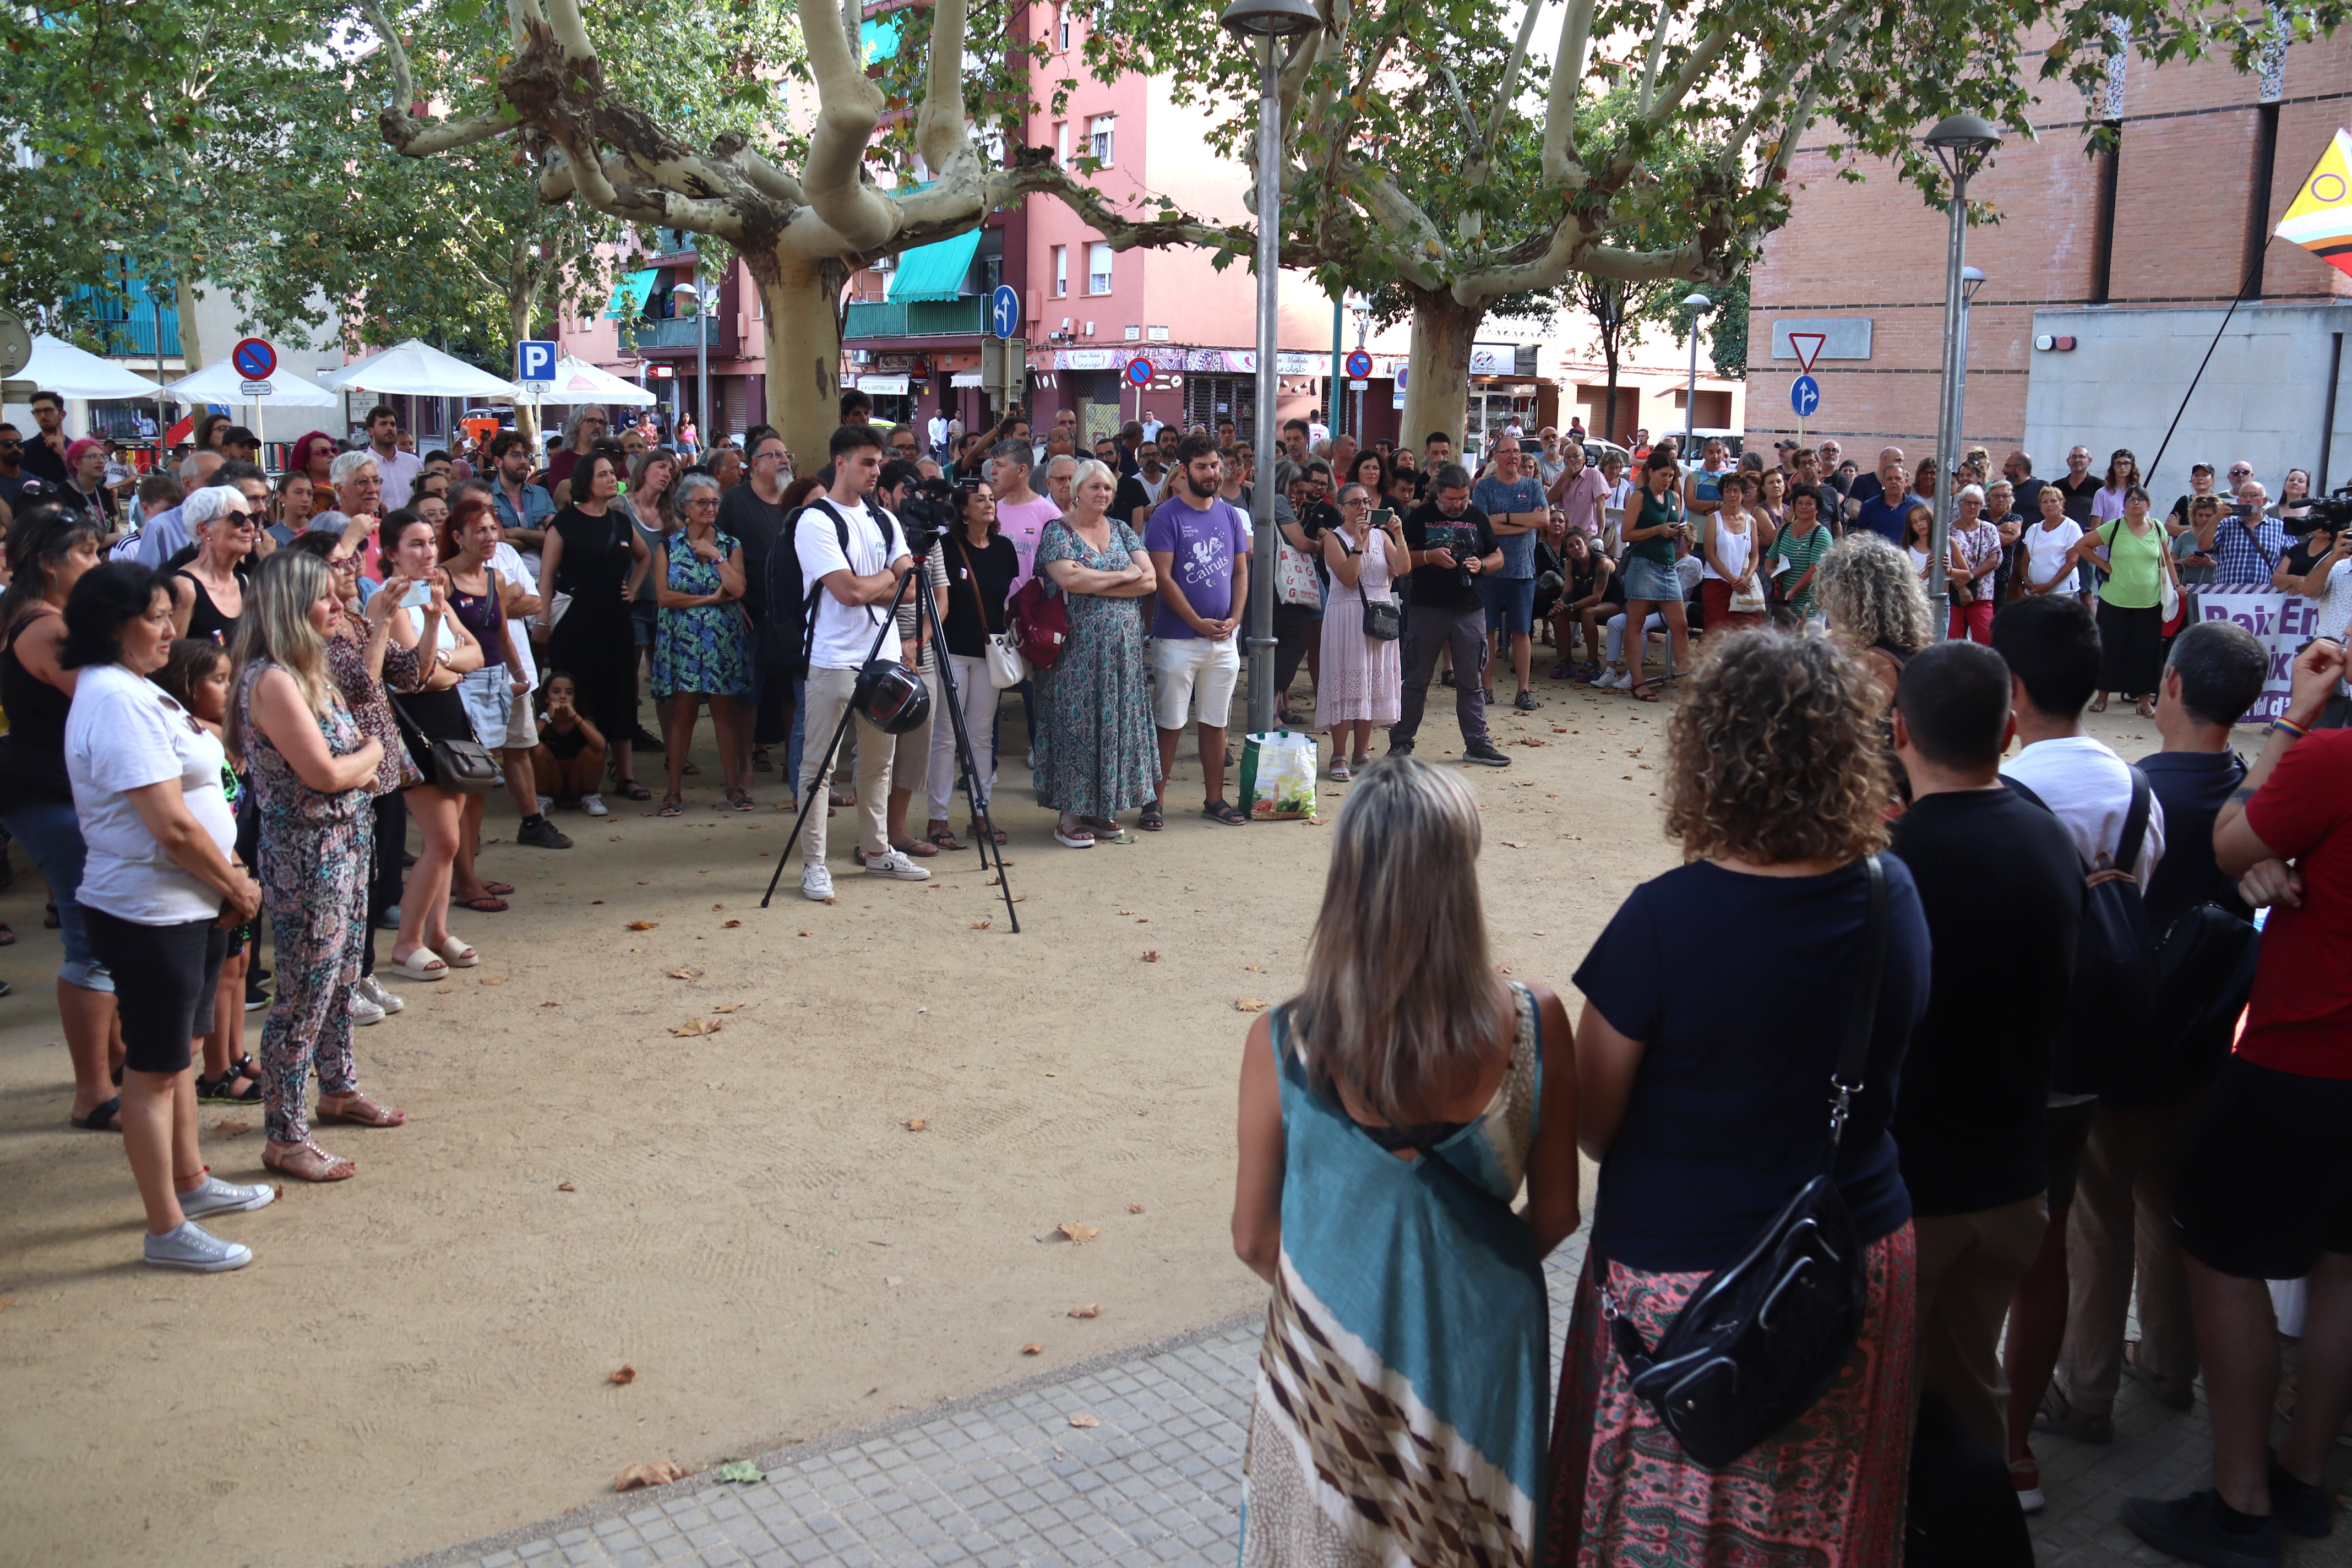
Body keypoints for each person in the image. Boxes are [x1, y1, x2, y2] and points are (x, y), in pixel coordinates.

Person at [1548, 629, 1929, 1564]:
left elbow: (1593, 1123)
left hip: (1685, 1283)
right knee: (1825, 1511)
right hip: (1850, 1256)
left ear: (1707, 755)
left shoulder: (1663, 919)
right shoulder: (1893, 894)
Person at [1234, 757, 1577, 1566]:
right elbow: (1559, 1212)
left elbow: (1253, 1238)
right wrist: (1460, 1290)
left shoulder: (1285, 1042)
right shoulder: (1536, 1023)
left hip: (1326, 1361)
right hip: (1483, 1356)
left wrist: (1351, 1282)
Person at [2124, 633, 2352, 1566]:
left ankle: (2238, 1502)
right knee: (2344, 1263)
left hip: (2303, 1049)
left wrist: (2293, 718)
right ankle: (2302, 1476)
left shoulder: (2332, 758)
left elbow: (2229, 838)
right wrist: (2271, 862)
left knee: (2216, 1249)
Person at [2037, 622, 2269, 1471]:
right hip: (2209, 1042)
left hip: (2128, 1042)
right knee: (2172, 1206)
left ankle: (2085, 1387)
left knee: (2098, 1218)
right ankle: (2171, 1363)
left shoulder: (2139, 793)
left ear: (2170, 686)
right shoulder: (2253, 795)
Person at [1989, 591, 2166, 1512]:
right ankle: (2018, 1450)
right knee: (2047, 1245)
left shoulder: (2004, 794)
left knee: (1960, 1245)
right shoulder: (2137, 791)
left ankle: (1953, 1431)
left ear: (2010, 688)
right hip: (2089, 1052)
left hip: (2000, 1055)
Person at [1886, 640, 2084, 1460]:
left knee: (1884, 1413)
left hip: (1911, 1189)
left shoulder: (1891, 865)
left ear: (1899, 731)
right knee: (1973, 1402)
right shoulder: (2049, 837)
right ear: (2009, 732)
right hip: (2014, 1179)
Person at [62, 560, 273, 1270]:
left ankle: (192, 1181)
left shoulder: (133, 691)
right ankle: (166, 1227)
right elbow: (171, 826)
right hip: (152, 908)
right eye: (154, 615)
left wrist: (225, 882)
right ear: (110, 626)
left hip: (187, 902)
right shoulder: (115, 701)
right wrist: (237, 887)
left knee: (179, 1054)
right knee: (154, 1068)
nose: (168, 626)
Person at [228, 550, 403, 1184]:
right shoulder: (272, 679)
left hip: (345, 840)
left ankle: (338, 1087)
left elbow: (351, 754)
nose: (338, 606)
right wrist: (374, 752)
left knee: (343, 975)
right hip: (308, 852)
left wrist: (361, 759)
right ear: (291, 607)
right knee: (304, 991)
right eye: (326, 598)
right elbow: (330, 771)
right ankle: (284, 1134)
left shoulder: (310, 670)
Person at [0, 508, 128, 1128]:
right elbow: (109, 700)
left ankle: (114, 1065)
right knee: (91, 941)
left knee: (98, 935)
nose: (98, 563)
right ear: (50, 564)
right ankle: (93, 1092)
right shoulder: (44, 628)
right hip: (49, 793)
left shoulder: (38, 618)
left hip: (52, 789)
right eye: (87, 553)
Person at [792, 424, 933, 896]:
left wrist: (872, 584)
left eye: (878, 463)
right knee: (820, 767)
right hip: (833, 658)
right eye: (867, 462)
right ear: (841, 463)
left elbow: (910, 589)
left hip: (885, 658)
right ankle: (814, 863)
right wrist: (881, 583)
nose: (876, 471)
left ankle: (877, 851)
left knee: (878, 764)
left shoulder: (884, 520)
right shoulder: (815, 521)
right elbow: (846, 592)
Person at [286, 532, 421, 1025]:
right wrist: (384, 622)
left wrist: (429, 622)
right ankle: (342, 985)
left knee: (374, 878)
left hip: (382, 769)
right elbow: (364, 689)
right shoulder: (313, 636)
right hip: (349, 771)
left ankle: (362, 973)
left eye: (350, 562)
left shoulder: (358, 619)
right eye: (335, 565)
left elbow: (409, 675)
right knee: (347, 886)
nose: (348, 570)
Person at [380, 513, 489, 980]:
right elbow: (415, 677)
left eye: (430, 543)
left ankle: (438, 931)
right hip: (414, 726)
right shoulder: (388, 598)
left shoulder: (433, 593)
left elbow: (476, 653)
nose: (427, 553)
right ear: (391, 553)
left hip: (450, 719)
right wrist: (448, 664)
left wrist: (444, 661)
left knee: (451, 839)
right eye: (415, 545)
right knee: (442, 839)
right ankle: (407, 943)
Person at [1031, 459, 1160, 846]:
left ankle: (1102, 807)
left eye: (1107, 488)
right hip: (1075, 651)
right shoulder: (1058, 531)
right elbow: (1068, 577)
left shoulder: (1121, 530)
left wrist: (1095, 583)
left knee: (1115, 724)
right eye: (1094, 488)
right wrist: (1122, 576)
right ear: (1077, 491)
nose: (1102, 494)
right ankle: (1069, 815)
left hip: (1123, 652)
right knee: (1076, 725)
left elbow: (1150, 580)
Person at [1144, 434, 1252, 828]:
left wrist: (1236, 617)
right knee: (1169, 722)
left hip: (1224, 640)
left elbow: (1241, 571)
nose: (1213, 473)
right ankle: (1153, 802)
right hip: (1176, 640)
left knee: (1216, 722)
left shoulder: (1229, 515)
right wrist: (1194, 622)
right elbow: (1163, 578)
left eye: (1216, 465)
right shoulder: (1166, 516)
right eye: (1204, 466)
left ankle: (1215, 799)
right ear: (1184, 469)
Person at [541, 450, 651, 806]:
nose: (611, 479)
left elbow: (644, 556)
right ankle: (571, 779)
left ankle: (626, 775)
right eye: (603, 474)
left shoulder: (620, 523)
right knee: (573, 693)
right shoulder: (564, 523)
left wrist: (632, 589)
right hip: (575, 624)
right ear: (586, 481)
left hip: (615, 622)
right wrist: (542, 621)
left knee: (620, 694)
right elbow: (546, 578)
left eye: (612, 474)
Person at [1391, 464, 1509, 763]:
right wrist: (1430, 556)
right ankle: (1402, 741)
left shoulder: (1477, 516)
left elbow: (1498, 556)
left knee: (1472, 681)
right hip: (1427, 607)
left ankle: (1477, 743)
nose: (1458, 505)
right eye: (1451, 500)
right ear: (1436, 494)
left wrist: (1481, 565)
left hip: (1469, 608)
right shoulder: (1420, 516)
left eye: (1464, 498)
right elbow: (1400, 558)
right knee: (1416, 679)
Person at [651, 472, 751, 814]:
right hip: (682, 638)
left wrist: (715, 555)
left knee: (725, 713)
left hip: (720, 639)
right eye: (702, 502)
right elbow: (664, 597)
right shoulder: (668, 546)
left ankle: (733, 785)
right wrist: (708, 600)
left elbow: (738, 589)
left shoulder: (730, 545)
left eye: (714, 502)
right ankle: (674, 789)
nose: (710, 508)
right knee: (683, 714)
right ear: (685, 508)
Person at [925, 480, 1017, 851]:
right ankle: (938, 818)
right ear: (962, 509)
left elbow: (1007, 599)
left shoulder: (1004, 548)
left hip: (989, 654)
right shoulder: (944, 547)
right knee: (946, 736)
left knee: (982, 736)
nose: (989, 504)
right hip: (951, 651)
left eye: (992, 498)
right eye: (980, 499)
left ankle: (981, 813)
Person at [1314, 482, 1404, 780]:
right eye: (1355, 503)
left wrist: (1399, 534)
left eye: (1367, 501)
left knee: (1371, 684)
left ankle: (1361, 752)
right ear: (1341, 508)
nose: (1363, 508)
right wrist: (1359, 544)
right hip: (1347, 617)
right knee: (1346, 685)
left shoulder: (1382, 536)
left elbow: (1402, 568)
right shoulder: (1333, 539)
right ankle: (1339, 753)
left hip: (1379, 617)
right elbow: (1348, 578)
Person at [719, 429, 794, 783]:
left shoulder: (795, 501)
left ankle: (794, 766)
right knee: (748, 695)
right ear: (755, 465)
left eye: (786, 454)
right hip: (749, 616)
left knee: (794, 693)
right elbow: (715, 552)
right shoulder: (733, 501)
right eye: (776, 455)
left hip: (793, 616)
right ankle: (745, 767)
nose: (784, 460)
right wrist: (731, 598)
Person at [2065, 484, 2176, 717]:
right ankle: (2102, 697)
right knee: (2110, 649)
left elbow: (2167, 559)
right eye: (2131, 499)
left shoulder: (2157, 528)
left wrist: (2176, 586)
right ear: (2124, 506)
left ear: (2148, 505)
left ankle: (2144, 701)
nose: (2135, 502)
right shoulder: (2113, 528)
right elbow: (2081, 546)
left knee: (2147, 651)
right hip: (2115, 600)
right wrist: (2103, 564)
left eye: (2140, 499)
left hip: (2149, 600)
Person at [1604, 449, 1691, 703]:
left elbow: (1673, 528)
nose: (1667, 480)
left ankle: (1687, 680)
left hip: (1667, 566)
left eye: (1671, 475)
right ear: (1650, 472)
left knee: (1680, 624)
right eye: (1663, 475)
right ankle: (1638, 682)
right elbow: (1627, 535)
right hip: (1643, 564)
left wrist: (1679, 531)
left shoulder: (1675, 496)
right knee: (1635, 623)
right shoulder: (1640, 497)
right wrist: (1657, 530)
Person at [1819, 531, 1934, 722]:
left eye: (1831, 594)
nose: (1825, 603)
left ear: (1853, 599)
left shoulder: (1873, 664)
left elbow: (1843, 731)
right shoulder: (1909, 650)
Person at [1472, 437, 1547, 711]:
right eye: (1507, 452)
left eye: (1517, 452)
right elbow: (1482, 526)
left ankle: (1523, 691)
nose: (1514, 456)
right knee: (1487, 631)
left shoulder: (1533, 486)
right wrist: (1523, 522)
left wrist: (1504, 518)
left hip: (1523, 570)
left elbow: (1543, 520)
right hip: (1490, 569)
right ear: (1496, 456)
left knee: (1522, 631)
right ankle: (1486, 689)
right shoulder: (1484, 487)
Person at [166, 487, 254, 645]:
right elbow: (169, 659)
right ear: (204, 529)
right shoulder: (185, 588)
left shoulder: (243, 582)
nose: (250, 527)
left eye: (252, 518)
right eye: (237, 518)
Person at [528, 672, 606, 811]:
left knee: (595, 752)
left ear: (575, 699)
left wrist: (575, 716)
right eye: (556, 692)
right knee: (536, 748)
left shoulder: (583, 720)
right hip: (551, 781)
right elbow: (527, 743)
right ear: (546, 697)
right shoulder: (541, 721)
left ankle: (590, 797)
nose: (563, 697)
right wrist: (547, 716)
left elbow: (601, 745)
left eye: (569, 693)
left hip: (577, 780)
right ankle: (543, 798)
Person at [1698, 468, 1764, 633]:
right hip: (1718, 583)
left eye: (1736, 491)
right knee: (1716, 634)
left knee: (1746, 636)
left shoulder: (1750, 521)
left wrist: (1747, 578)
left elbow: (1755, 555)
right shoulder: (1714, 519)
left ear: (1743, 493)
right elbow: (1710, 555)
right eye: (1728, 491)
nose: (1732, 495)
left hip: (1744, 585)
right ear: (1722, 494)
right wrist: (1732, 579)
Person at [1551, 528, 1619, 679]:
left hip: (1615, 602)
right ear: (1567, 551)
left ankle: (1592, 663)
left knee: (1587, 612)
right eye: (1571, 546)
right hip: (1589, 602)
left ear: (1586, 543)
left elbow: (1597, 598)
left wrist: (1571, 607)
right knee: (1561, 613)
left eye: (1578, 543)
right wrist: (1560, 605)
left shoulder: (1602, 562)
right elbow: (1567, 592)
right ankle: (1566, 660)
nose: (1576, 548)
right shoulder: (1570, 564)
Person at [1945, 483, 2002, 644]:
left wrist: (1969, 577)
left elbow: (1994, 560)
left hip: (1983, 592)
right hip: (1955, 594)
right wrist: (1962, 587)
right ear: (1960, 504)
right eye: (1968, 502)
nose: (1972, 507)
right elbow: (1946, 563)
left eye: (1977, 503)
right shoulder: (1948, 530)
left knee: (1986, 638)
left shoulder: (1990, 529)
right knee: (1952, 639)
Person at [2022, 484, 2086, 599]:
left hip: (2062, 593)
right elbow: (2025, 562)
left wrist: (2049, 585)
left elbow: (2072, 562)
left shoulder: (2071, 527)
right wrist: (2026, 581)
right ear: (2040, 506)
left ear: (2062, 504)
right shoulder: (2033, 529)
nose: (2049, 505)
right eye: (2045, 502)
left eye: (2053, 501)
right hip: (2035, 594)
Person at [360, 405, 423, 511]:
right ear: (371, 431)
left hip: (411, 523)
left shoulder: (413, 462)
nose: (390, 428)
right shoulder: (361, 464)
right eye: (383, 424)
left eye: (393, 424)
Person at [544, 405, 609, 503]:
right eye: (591, 421)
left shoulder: (611, 457)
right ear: (577, 425)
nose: (597, 426)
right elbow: (566, 498)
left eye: (601, 422)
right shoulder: (561, 460)